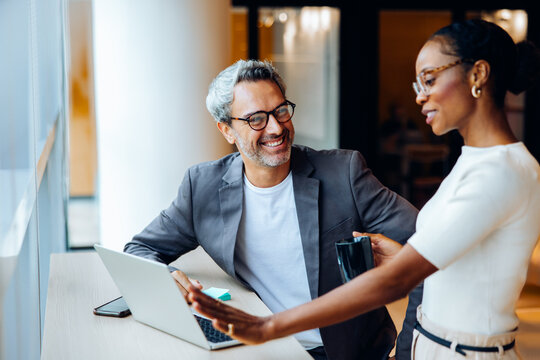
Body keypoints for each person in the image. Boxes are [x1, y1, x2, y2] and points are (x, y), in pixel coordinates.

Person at [190, 19, 540, 359]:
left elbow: (395, 283)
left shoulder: (500, 172)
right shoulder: (475, 163)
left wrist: (268, 326)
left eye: (429, 80)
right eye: (418, 84)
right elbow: (466, 266)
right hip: (435, 344)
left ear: (477, 74)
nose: (420, 97)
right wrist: (406, 257)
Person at [124, 59, 421, 360]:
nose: (276, 127)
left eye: (280, 110)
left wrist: (409, 352)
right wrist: (169, 277)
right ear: (227, 129)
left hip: (345, 353)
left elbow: (430, 245)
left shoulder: (343, 173)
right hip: (262, 347)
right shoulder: (203, 187)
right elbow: (139, 249)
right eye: (256, 119)